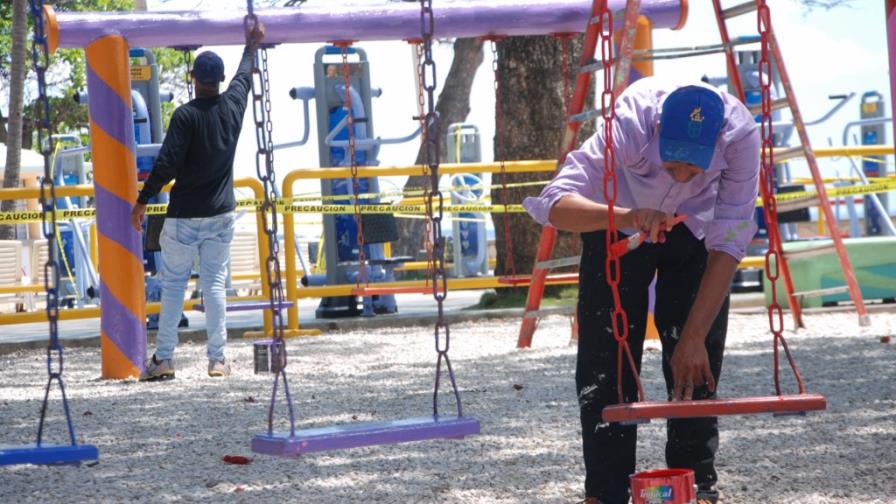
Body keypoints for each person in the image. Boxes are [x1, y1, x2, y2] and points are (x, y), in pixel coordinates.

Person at [523, 76, 760, 504]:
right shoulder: (630, 123)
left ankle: (696, 485)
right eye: (672, 164)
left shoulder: (740, 136)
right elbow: (553, 203)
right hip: (617, 216)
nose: (682, 176)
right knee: (606, 360)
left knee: (696, 356)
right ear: (657, 131)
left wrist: (692, 337)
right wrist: (628, 216)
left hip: (696, 228)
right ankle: (606, 491)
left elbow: (730, 240)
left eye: (695, 169)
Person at [131, 22, 265, 381]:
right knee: (215, 285)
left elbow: (166, 163)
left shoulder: (185, 116)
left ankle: (164, 359)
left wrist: (142, 200)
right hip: (221, 214)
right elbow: (244, 76)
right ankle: (218, 360)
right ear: (219, 80)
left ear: (193, 79)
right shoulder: (233, 107)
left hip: (183, 216)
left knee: (174, 286)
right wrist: (251, 45)